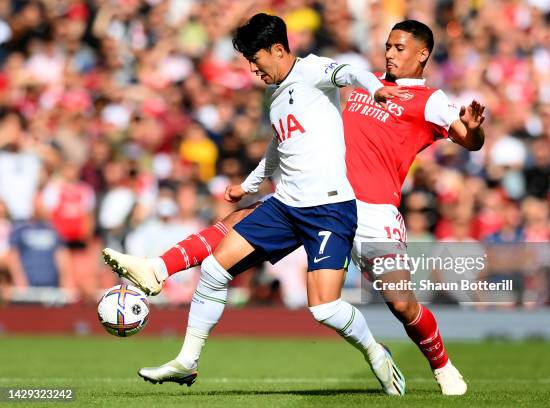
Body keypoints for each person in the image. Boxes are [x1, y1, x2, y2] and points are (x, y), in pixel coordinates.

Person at [105, 19, 485, 395]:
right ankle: (160, 271)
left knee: (401, 305)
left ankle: (442, 366)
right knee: (238, 222)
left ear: (423, 54)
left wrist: (474, 128)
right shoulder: (357, 84)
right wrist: (252, 184)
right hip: (315, 196)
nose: (389, 53)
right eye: (387, 45)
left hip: (371, 211)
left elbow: (469, 140)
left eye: (399, 48)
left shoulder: (428, 99)